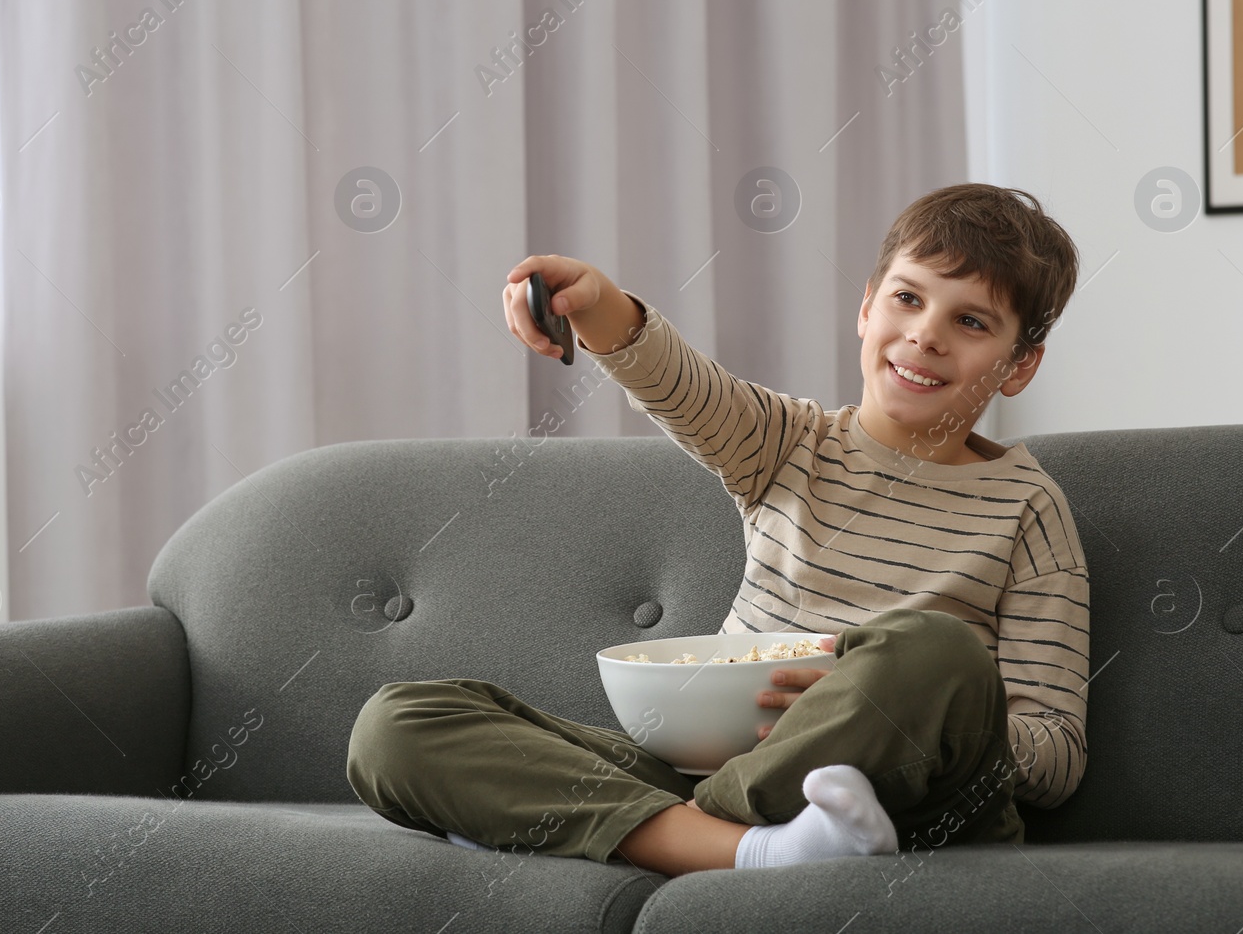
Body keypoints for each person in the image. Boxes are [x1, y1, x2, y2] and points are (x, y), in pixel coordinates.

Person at [347, 183, 1089, 878]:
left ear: (1020, 364)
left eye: (969, 320)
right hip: (710, 764)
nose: (925, 335)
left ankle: (662, 833)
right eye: (907, 297)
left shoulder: (1027, 508)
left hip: (908, 798)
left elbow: (1054, 753)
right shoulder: (790, 442)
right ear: (866, 307)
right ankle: (750, 848)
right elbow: (678, 384)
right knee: (398, 723)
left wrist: (867, 696)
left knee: (933, 649)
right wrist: (595, 301)